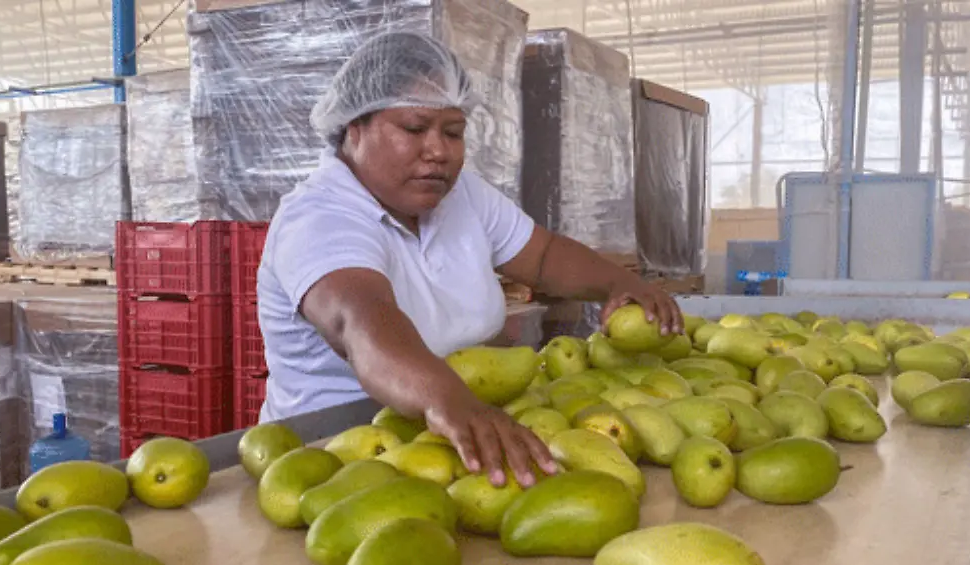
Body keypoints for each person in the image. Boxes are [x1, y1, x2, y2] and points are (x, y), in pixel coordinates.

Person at [256, 31, 683, 489]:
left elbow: (542, 257)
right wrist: (450, 401)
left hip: (447, 440)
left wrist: (620, 284)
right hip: (327, 462)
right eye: (415, 129)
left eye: (454, 132)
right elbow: (358, 321)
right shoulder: (320, 215)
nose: (438, 151)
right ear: (353, 129)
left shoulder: (460, 197)